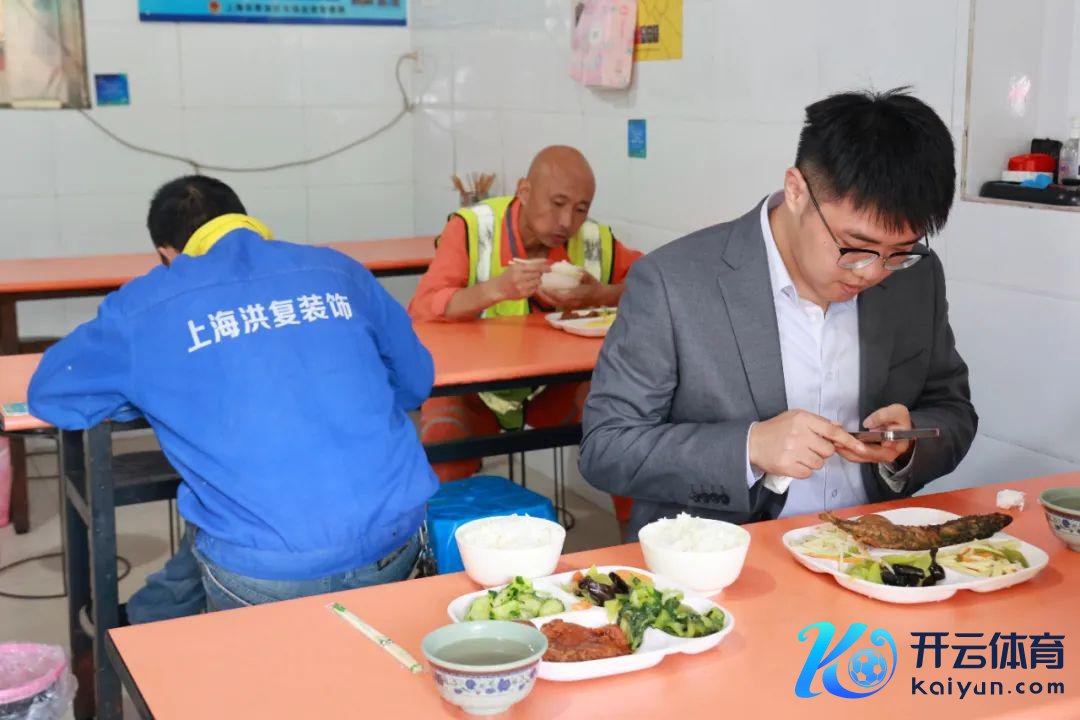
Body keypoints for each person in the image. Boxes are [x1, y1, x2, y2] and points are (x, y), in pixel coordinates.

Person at [579, 88, 977, 538]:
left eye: (899, 252)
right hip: (724, 559)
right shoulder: (674, 284)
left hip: (869, 552)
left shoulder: (916, 277)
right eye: (855, 247)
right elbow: (606, 447)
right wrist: (749, 448)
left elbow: (953, 410)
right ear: (796, 191)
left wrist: (908, 445)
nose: (872, 272)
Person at [29, 175, 437, 614]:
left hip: (264, 573)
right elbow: (415, 382)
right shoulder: (337, 269)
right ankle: (150, 615)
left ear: (166, 253)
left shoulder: (143, 305)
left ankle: (144, 625)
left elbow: (50, 393)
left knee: (223, 513)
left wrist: (153, 395)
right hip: (397, 544)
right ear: (243, 218)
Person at [409, 146, 643, 522]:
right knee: (443, 436)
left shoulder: (594, 239)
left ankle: (637, 542)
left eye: (581, 209)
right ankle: (441, 545)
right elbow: (423, 308)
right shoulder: (473, 228)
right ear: (524, 191)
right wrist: (496, 289)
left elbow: (651, 283)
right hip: (473, 391)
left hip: (553, 390)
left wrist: (601, 294)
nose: (567, 221)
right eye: (558, 203)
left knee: (626, 423)